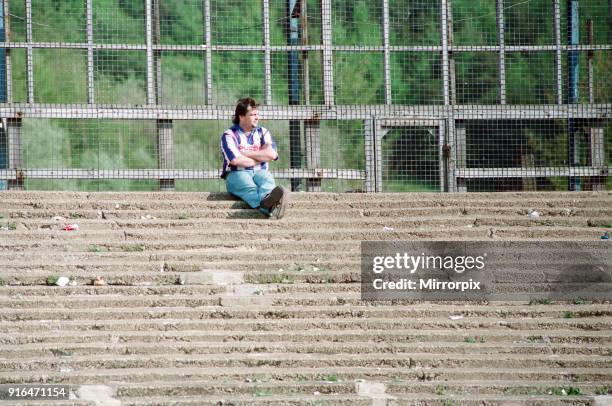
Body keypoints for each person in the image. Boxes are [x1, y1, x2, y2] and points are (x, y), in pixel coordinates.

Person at [220, 97, 288, 219]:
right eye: (253, 115)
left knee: (267, 178)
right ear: (241, 116)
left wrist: (245, 153)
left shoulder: (263, 132)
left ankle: (267, 204)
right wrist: (260, 157)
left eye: (258, 114)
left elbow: (271, 154)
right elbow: (236, 160)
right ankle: (269, 205)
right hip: (236, 174)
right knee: (248, 185)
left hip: (260, 172)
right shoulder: (229, 135)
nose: (257, 117)